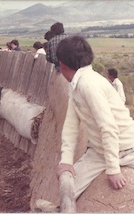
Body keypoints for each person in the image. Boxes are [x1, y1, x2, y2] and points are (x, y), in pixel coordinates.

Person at [55, 35, 134, 206]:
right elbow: (71, 125)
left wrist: (113, 170)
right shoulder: (77, 85)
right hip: (99, 152)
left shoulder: (89, 84)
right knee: (67, 192)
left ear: (62, 65)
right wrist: (66, 161)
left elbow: (109, 127)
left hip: (126, 148)